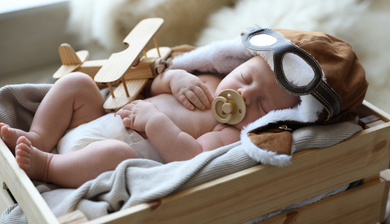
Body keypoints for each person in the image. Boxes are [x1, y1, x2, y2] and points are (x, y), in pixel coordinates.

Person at [0, 55, 299, 188]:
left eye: (262, 104)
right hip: (97, 120)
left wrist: (154, 120)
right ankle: (39, 136)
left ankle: (48, 166)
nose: (244, 95)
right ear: (237, 66)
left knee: (119, 157)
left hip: (105, 153)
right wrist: (175, 78)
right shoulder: (207, 79)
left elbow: (190, 157)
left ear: (272, 119)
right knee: (77, 83)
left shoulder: (229, 133)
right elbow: (152, 86)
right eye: (245, 78)